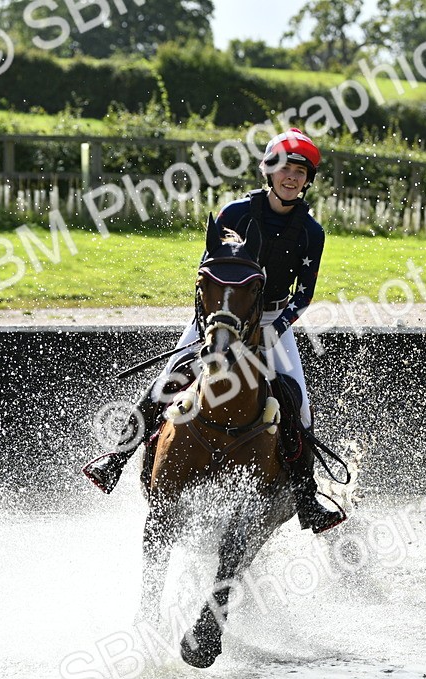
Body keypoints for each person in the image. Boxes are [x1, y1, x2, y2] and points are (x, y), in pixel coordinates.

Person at [83, 128, 345, 534]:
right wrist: (209, 323)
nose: (291, 178)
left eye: (300, 172)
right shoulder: (235, 214)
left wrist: (275, 327)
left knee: (299, 405)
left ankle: (307, 498)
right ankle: (116, 458)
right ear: (269, 172)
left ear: (307, 180)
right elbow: (204, 276)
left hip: (273, 321)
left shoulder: (312, 232)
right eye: (285, 169)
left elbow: (304, 295)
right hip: (218, 319)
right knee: (166, 383)